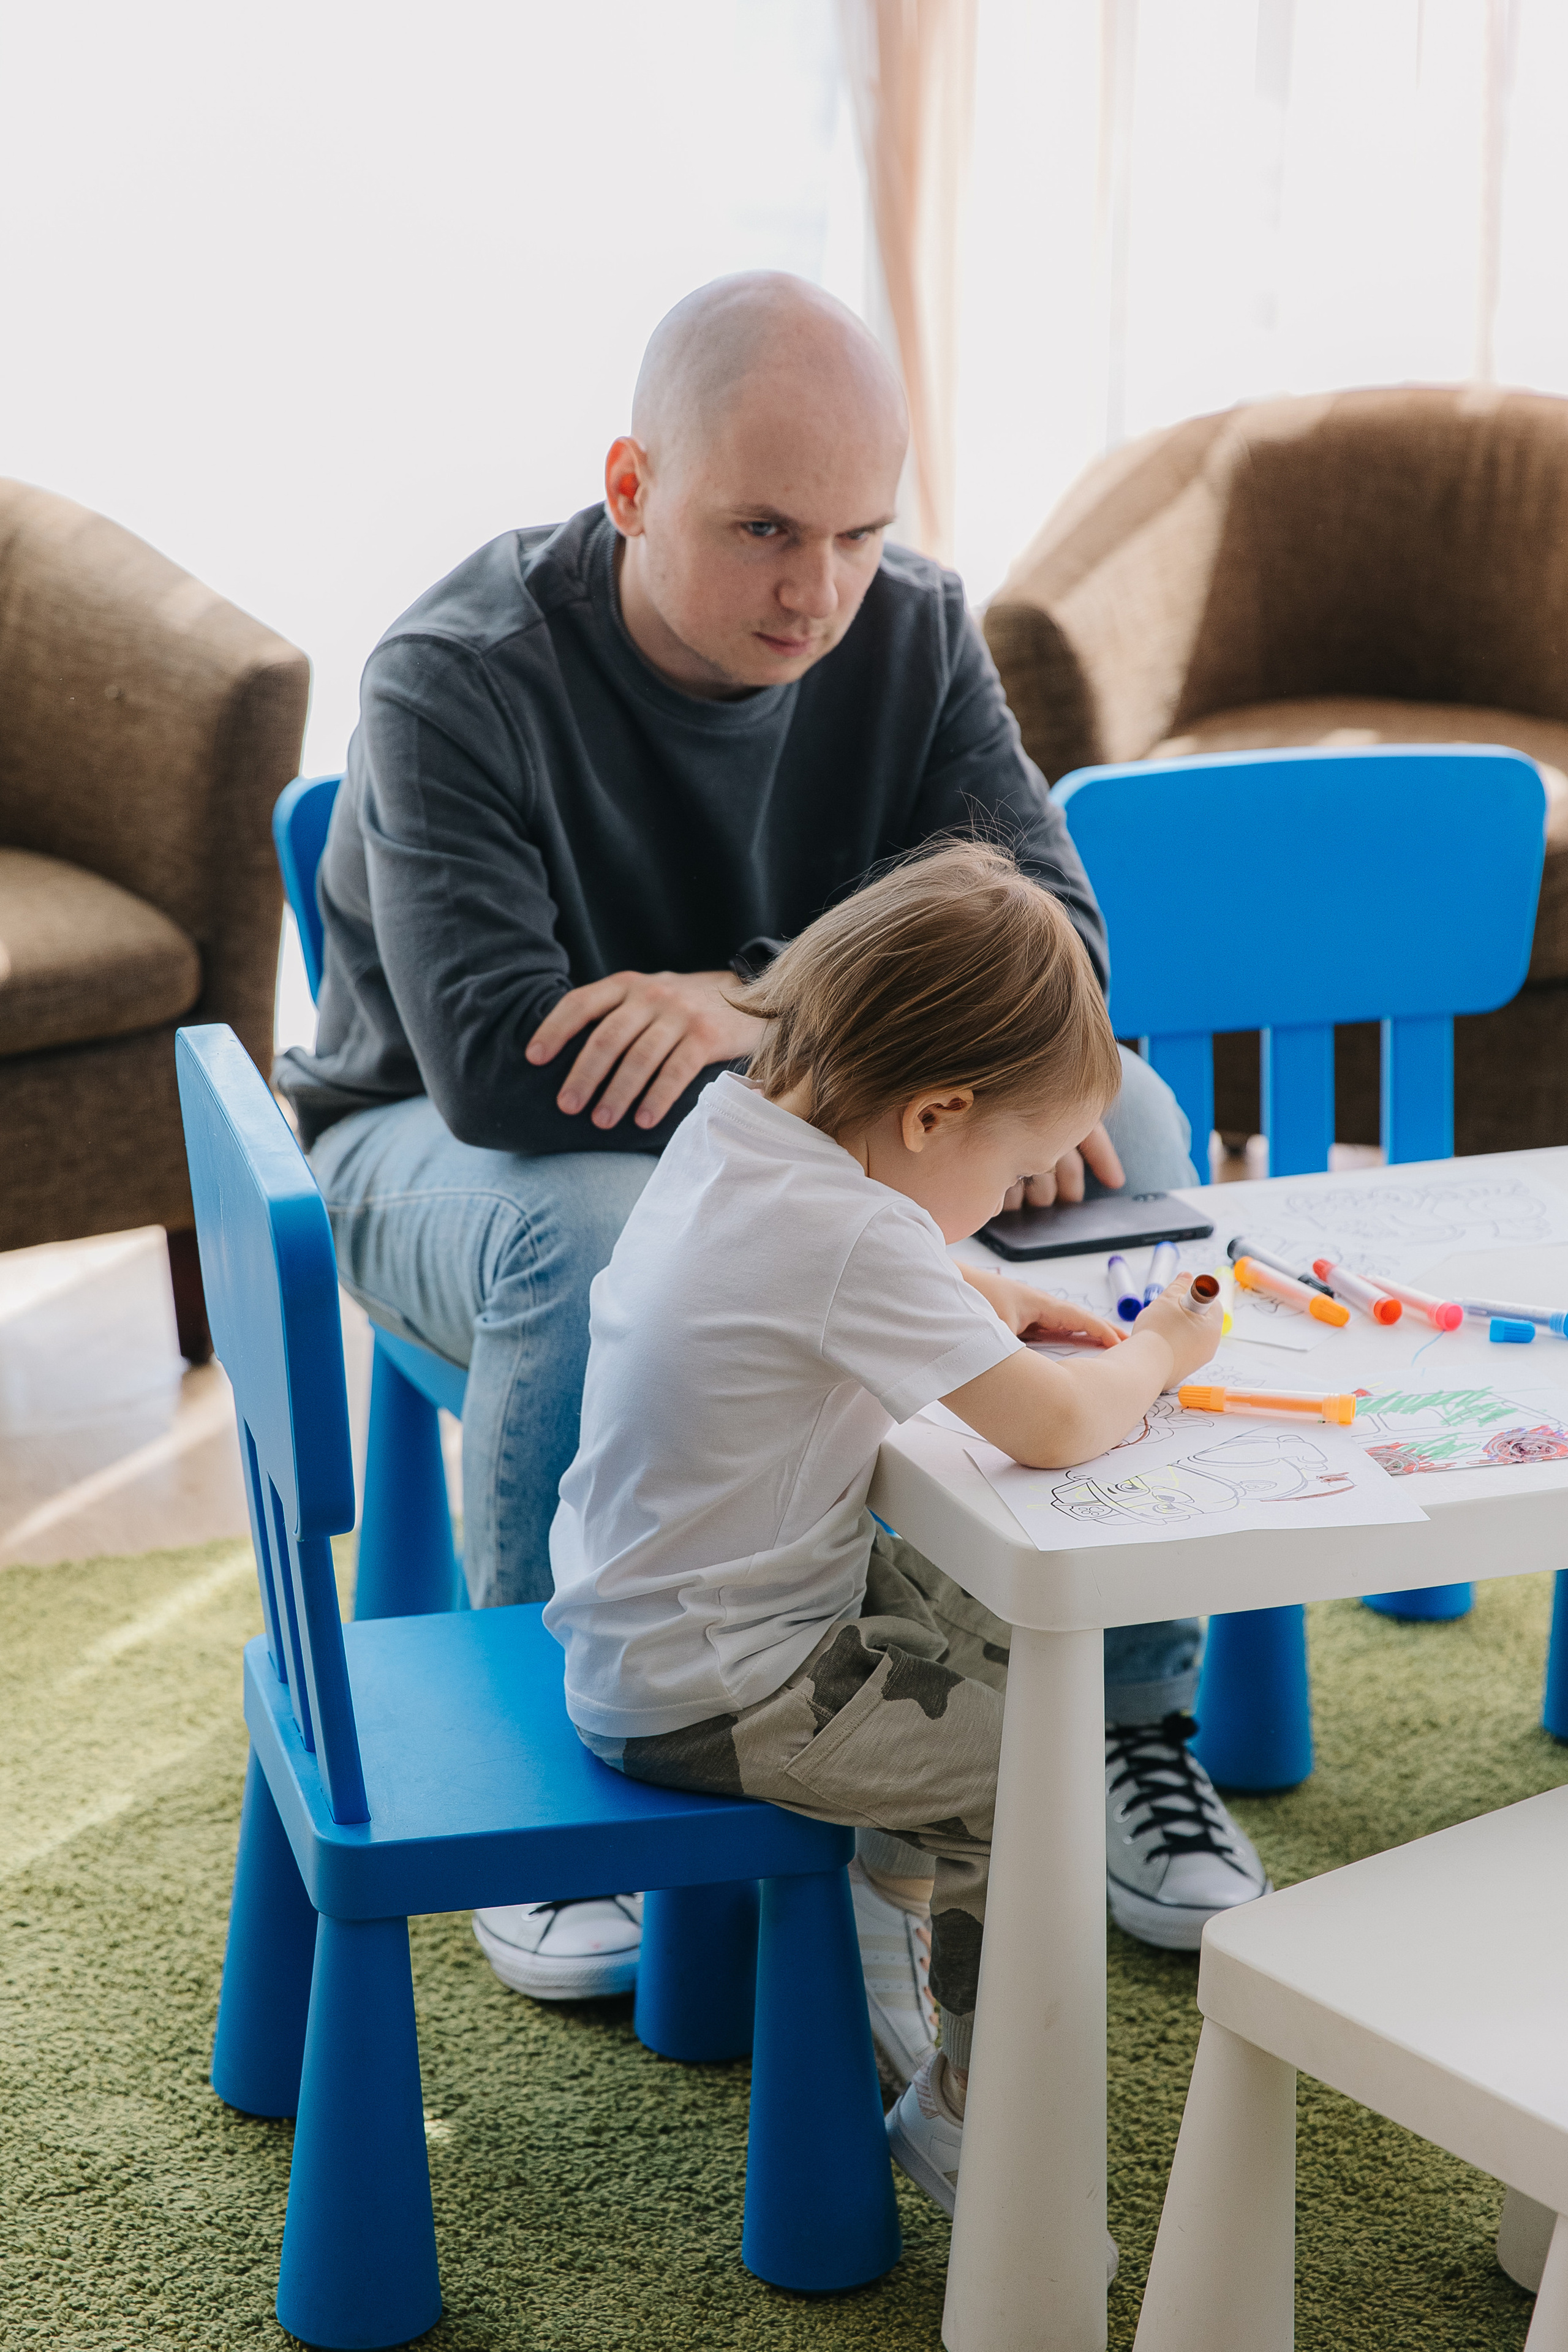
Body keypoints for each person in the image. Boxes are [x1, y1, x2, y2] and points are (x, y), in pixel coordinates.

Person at [274, 270, 1262, 2026]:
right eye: (765, 531)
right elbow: (506, 1069)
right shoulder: (451, 672)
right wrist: (831, 1059)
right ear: (632, 483)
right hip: (440, 1151)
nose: (820, 591)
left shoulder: (913, 627)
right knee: (585, 1222)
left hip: (785, 1121)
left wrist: (747, 1013)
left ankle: (1121, 1715)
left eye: (861, 533)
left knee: (1130, 1115)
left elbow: (1069, 959)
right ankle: (558, 1789)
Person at [543, 840, 1262, 2221]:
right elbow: (1055, 1428)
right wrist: (1162, 1347)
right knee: (1034, 1770)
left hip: (656, 1618)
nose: (1005, 1204)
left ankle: (888, 1901)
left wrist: (978, 1287)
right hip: (716, 1686)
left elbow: (858, 1261)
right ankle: (964, 2113)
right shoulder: (846, 1238)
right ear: (933, 1115)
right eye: (1013, 1174)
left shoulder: (738, 1125)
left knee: (992, 1620)